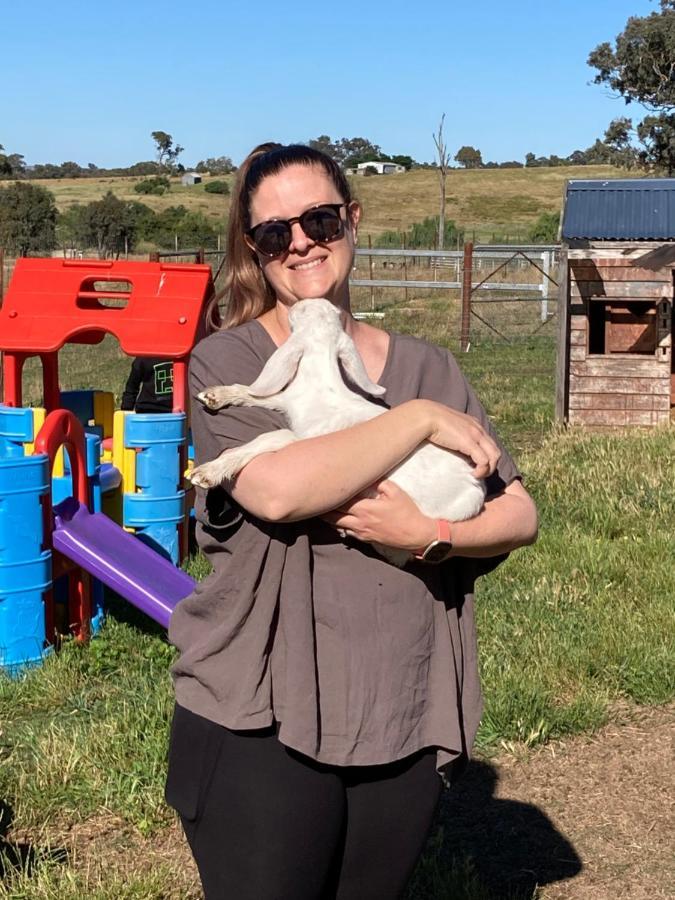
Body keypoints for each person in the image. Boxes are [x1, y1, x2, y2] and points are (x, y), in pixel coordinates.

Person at [166, 143, 538, 900]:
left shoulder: (429, 365)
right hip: (262, 706)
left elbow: (518, 511)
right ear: (256, 250)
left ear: (352, 220)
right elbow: (276, 490)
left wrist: (433, 536)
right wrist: (419, 422)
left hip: (401, 699)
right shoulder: (228, 364)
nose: (300, 242)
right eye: (274, 233)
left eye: (319, 219)